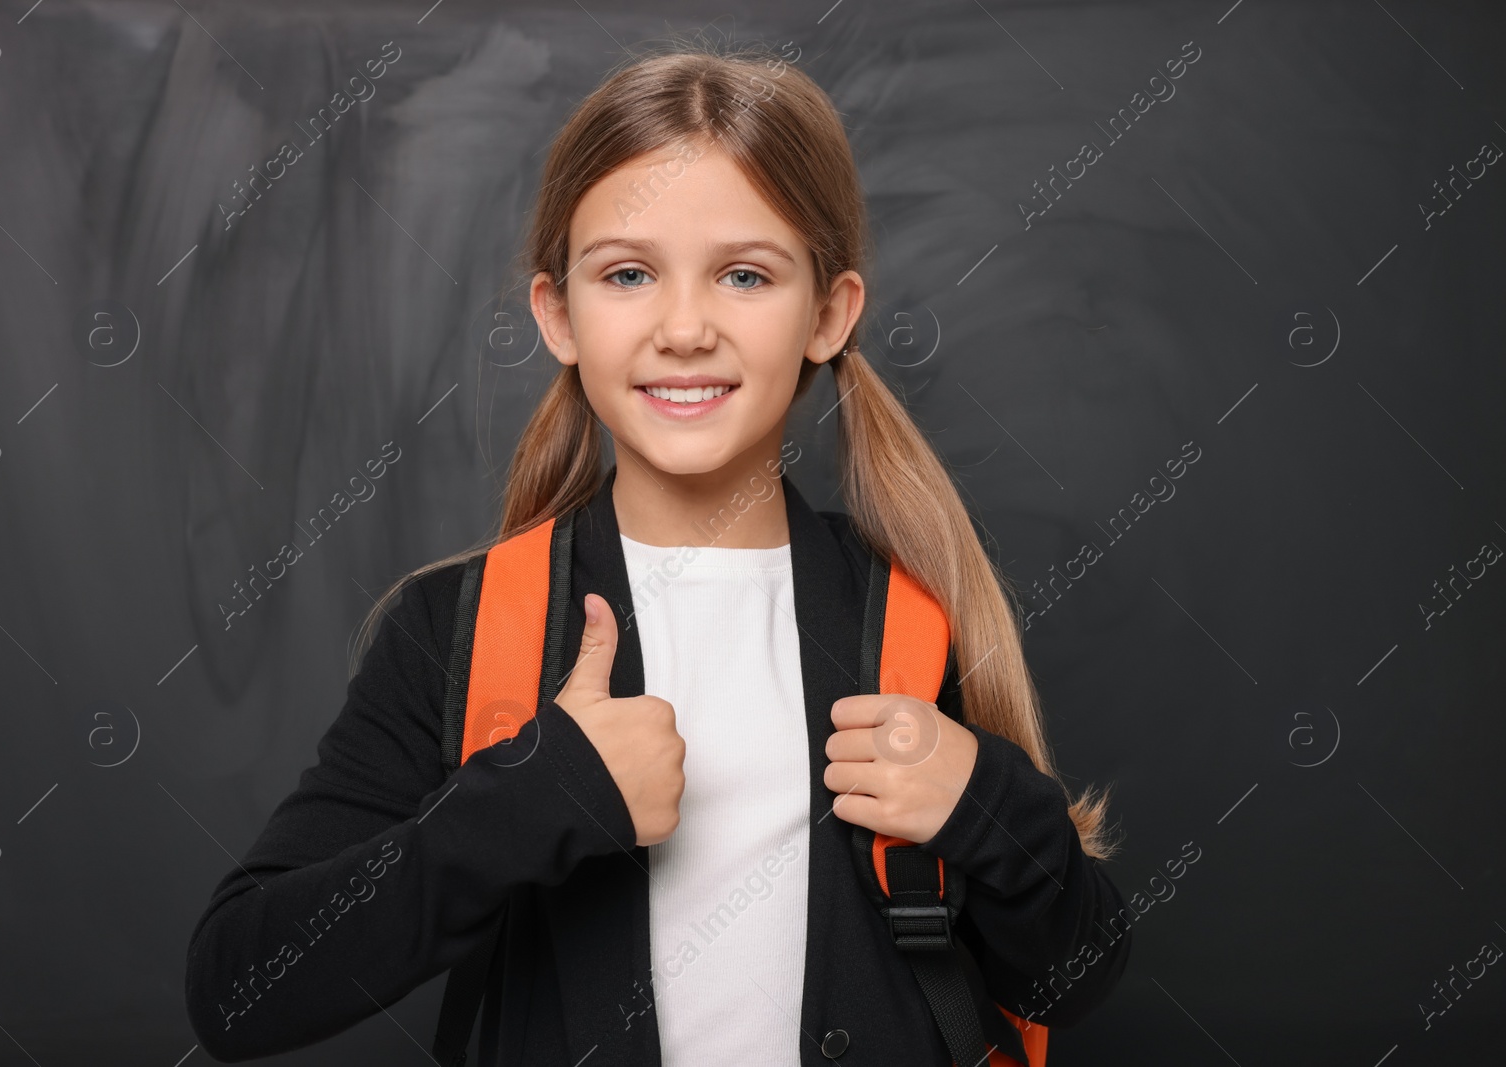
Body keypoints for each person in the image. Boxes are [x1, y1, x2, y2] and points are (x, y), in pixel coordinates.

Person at [184, 41, 1131, 1065]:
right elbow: (241, 987)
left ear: (826, 314)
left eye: (743, 274)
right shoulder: (455, 633)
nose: (684, 327)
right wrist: (534, 801)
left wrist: (983, 803)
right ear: (558, 314)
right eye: (628, 273)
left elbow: (1071, 975)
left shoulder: (908, 618)